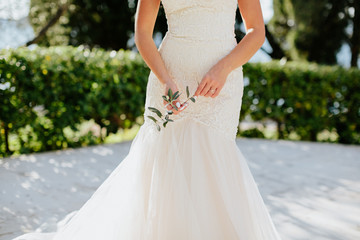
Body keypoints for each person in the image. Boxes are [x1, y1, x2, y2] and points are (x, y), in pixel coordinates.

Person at [13, 0, 282, 239]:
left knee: (213, 156)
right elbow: (142, 34)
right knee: (165, 157)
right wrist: (165, 79)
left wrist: (224, 68)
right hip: (170, 80)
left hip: (222, 85)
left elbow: (257, 31)